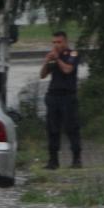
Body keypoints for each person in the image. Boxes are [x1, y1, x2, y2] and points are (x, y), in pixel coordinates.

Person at [38, 31, 82, 169]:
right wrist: (47, 61)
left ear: (65, 42)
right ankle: (53, 160)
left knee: (71, 127)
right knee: (52, 129)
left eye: (59, 42)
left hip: (68, 96)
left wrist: (57, 59)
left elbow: (68, 70)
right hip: (53, 96)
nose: (56, 45)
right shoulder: (53, 56)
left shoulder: (72, 54)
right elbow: (43, 75)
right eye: (54, 42)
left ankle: (76, 159)